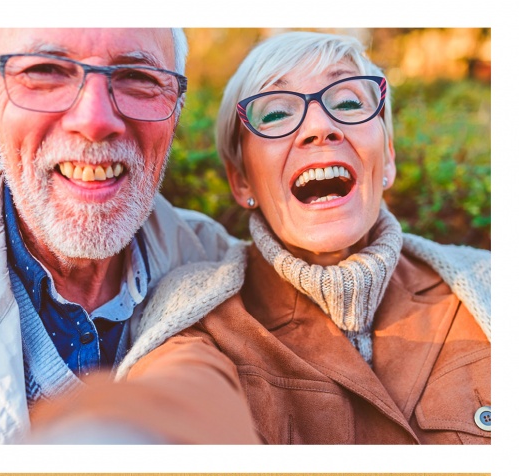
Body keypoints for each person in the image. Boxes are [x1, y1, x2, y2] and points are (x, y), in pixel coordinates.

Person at [108, 30, 490, 445]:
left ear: (389, 159)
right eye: (275, 114)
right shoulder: (199, 319)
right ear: (241, 181)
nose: (321, 128)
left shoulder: (487, 286)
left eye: (347, 103)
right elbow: (175, 404)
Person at [0, 27, 257, 444]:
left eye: (138, 78)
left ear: (175, 113)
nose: (94, 121)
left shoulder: (218, 266)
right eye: (45, 72)